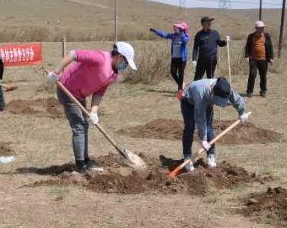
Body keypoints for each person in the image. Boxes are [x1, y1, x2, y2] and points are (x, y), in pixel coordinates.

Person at [46, 41, 137, 173]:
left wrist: (94, 112)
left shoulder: (113, 75)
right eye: (126, 62)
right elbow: (73, 54)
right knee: (79, 126)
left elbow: (99, 92)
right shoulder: (100, 58)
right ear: (119, 56)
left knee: (85, 125)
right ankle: (81, 165)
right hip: (67, 89)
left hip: (80, 95)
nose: (125, 66)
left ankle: (86, 160)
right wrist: (56, 72)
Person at [179, 77, 249, 171]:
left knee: (209, 128)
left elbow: (237, 99)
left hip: (207, 101)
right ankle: (187, 157)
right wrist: (203, 140)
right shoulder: (201, 93)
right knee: (190, 127)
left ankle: (211, 156)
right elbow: (200, 119)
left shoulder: (225, 89)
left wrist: (242, 112)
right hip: (189, 100)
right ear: (212, 93)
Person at [149, 22, 190, 91]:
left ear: (182, 29)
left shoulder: (186, 36)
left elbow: (185, 41)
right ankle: (181, 84)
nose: (176, 29)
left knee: (181, 73)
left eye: (178, 28)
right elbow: (165, 35)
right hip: (174, 58)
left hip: (182, 58)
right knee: (173, 72)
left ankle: (180, 89)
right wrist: (155, 31)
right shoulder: (174, 36)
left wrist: (182, 33)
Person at [243, 20, 274, 97]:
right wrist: (246, 56)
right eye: (260, 28)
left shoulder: (266, 36)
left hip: (263, 59)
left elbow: (270, 46)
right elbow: (247, 47)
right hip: (253, 59)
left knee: (263, 75)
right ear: (256, 28)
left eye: (263, 28)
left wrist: (271, 57)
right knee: (252, 74)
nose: (262, 29)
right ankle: (249, 91)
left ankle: (263, 91)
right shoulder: (251, 36)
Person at [192, 16, 228, 81]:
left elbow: (220, 43)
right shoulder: (199, 34)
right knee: (197, 78)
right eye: (208, 22)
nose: (210, 23)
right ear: (203, 24)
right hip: (201, 60)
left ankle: (209, 91)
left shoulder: (215, 33)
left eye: (210, 22)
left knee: (210, 78)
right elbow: (195, 48)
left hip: (212, 59)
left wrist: (225, 42)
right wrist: (194, 59)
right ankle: (194, 90)